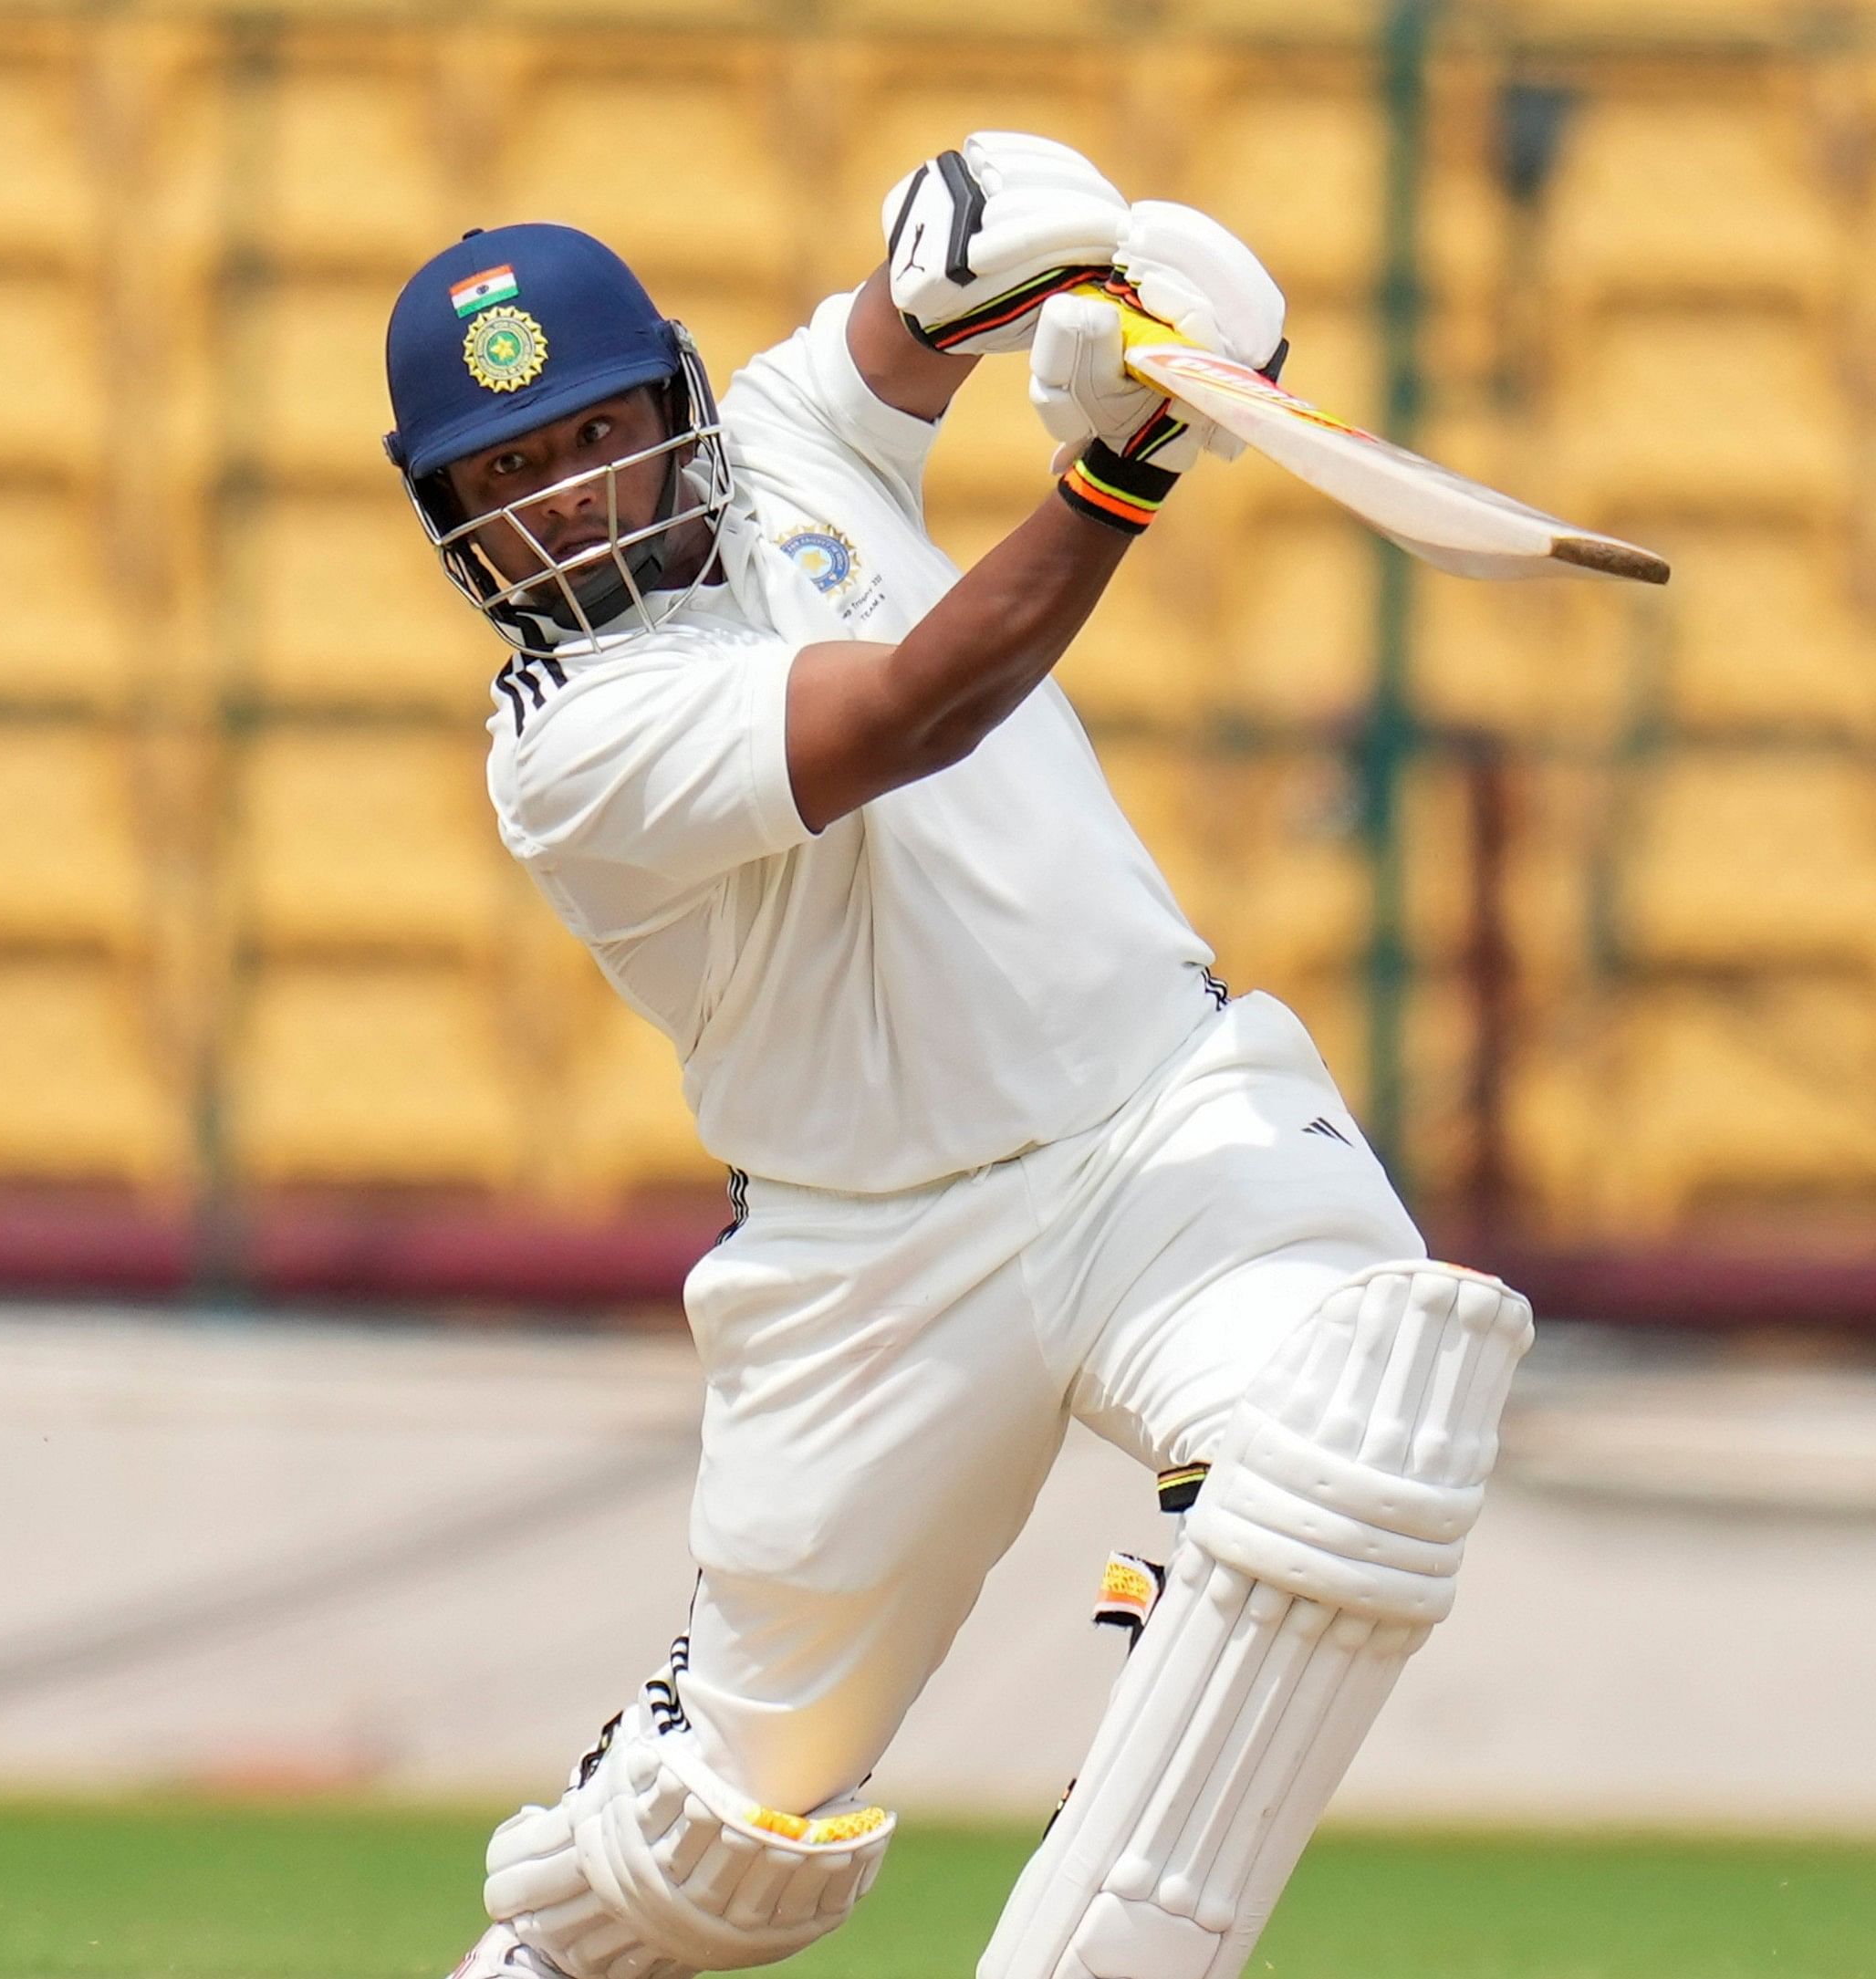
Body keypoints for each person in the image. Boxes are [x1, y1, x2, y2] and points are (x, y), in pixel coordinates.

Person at [389, 135, 1537, 1979]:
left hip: (1156, 1120)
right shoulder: (564, 740)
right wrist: (1126, 458)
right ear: (450, 521)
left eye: (588, 433)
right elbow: (916, 704)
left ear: (669, 398)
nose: (564, 499)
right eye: (505, 477)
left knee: (1352, 1425)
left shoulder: (775, 433)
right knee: (696, 1858)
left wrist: (1069, 282)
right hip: (866, 1266)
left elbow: (903, 325)